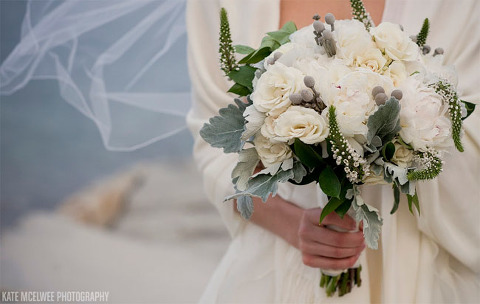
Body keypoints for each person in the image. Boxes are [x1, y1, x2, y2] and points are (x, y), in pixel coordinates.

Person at [186, 0, 480, 303]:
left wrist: (398, 134)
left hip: (410, 261)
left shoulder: (458, 6)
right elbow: (213, 148)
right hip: (278, 262)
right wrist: (291, 223)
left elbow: (470, 138)